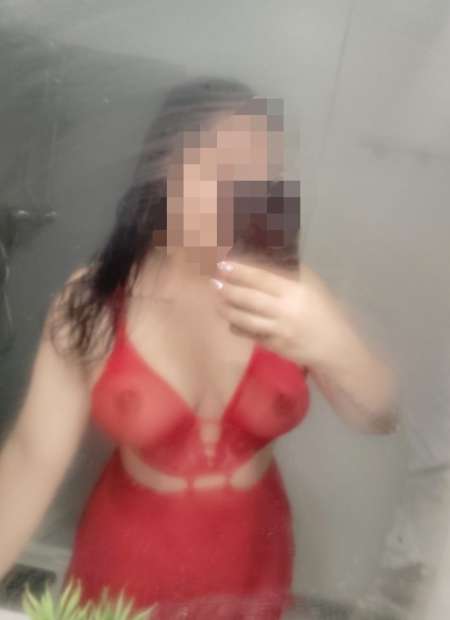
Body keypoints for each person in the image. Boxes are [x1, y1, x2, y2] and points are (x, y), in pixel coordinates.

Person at [0, 78, 398, 619]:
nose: (244, 200)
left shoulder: (289, 292)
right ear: (165, 170)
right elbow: (30, 461)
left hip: (253, 559)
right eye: (223, 173)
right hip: (127, 564)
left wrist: (333, 341)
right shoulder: (94, 300)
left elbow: (379, 417)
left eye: (261, 180)